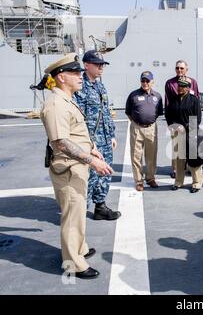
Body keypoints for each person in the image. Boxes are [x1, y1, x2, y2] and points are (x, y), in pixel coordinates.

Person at [40, 53, 114, 279]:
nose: (80, 76)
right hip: (68, 169)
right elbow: (61, 142)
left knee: (79, 212)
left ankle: (79, 248)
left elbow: (76, 130)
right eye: (75, 73)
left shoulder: (67, 100)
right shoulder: (55, 104)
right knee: (72, 217)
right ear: (61, 77)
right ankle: (74, 263)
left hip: (77, 167)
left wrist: (92, 147)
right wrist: (92, 160)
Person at [75, 50, 121, 221]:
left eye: (102, 64)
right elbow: (78, 118)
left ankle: (100, 207)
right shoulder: (80, 86)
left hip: (105, 139)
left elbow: (106, 113)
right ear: (86, 65)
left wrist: (112, 135)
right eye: (97, 64)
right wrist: (88, 143)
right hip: (90, 142)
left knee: (104, 173)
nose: (101, 67)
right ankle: (79, 212)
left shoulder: (100, 85)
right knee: (89, 176)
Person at [125, 71, 163, 191]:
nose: (145, 83)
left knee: (151, 155)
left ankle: (150, 178)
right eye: (143, 80)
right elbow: (128, 112)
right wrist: (138, 122)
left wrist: (148, 121)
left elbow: (158, 113)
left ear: (152, 82)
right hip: (137, 127)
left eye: (147, 81)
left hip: (151, 127)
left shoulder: (157, 96)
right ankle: (138, 180)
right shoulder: (133, 95)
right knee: (136, 156)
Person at [165, 78, 203, 193]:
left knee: (193, 158)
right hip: (177, 133)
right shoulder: (173, 100)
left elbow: (197, 118)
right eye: (179, 86)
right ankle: (178, 182)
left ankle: (196, 183)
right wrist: (174, 126)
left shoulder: (194, 100)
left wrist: (186, 127)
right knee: (179, 158)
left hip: (190, 132)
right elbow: (168, 115)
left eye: (183, 86)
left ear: (188, 88)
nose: (180, 88)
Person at [164, 60, 200, 178]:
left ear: (186, 69)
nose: (179, 70)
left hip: (190, 123)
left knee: (191, 147)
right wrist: (171, 124)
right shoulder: (170, 83)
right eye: (177, 68)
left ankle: (191, 166)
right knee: (177, 148)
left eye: (182, 68)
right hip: (177, 122)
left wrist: (194, 125)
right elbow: (168, 104)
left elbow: (196, 99)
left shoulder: (193, 82)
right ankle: (176, 169)